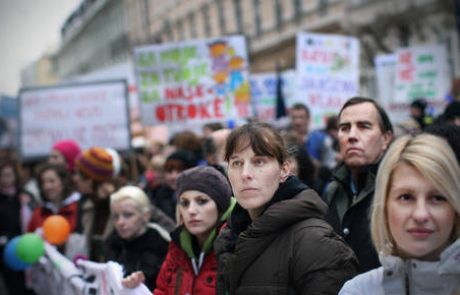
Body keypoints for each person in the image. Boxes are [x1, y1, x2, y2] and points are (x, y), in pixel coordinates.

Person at [216, 122, 358, 294]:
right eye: (237, 163)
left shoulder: (315, 243)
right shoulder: (230, 235)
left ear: (284, 170)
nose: (245, 174)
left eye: (259, 162)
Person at [339, 134, 460, 294]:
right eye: (406, 197)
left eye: (437, 198)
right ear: (385, 206)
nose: (420, 215)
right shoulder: (358, 291)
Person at [124, 166, 235, 294]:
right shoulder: (177, 248)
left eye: (202, 201)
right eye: (185, 203)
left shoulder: (238, 247)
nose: (191, 211)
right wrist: (140, 287)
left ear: (220, 206)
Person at [322, 97, 394, 273]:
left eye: (364, 126)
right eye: (344, 128)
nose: (352, 136)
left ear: (386, 138)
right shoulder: (332, 190)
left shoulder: (398, 190)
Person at [106, 185, 169, 290]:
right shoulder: (113, 243)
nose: (120, 222)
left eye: (128, 215)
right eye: (116, 216)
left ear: (145, 216)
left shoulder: (161, 247)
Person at [74, 146, 116, 262]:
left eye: (79, 174)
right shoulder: (86, 203)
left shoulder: (123, 202)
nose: (75, 178)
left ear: (91, 179)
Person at [27, 163, 80, 232]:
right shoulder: (38, 212)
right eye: (43, 183)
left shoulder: (77, 207)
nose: (47, 187)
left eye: (51, 181)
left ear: (63, 182)